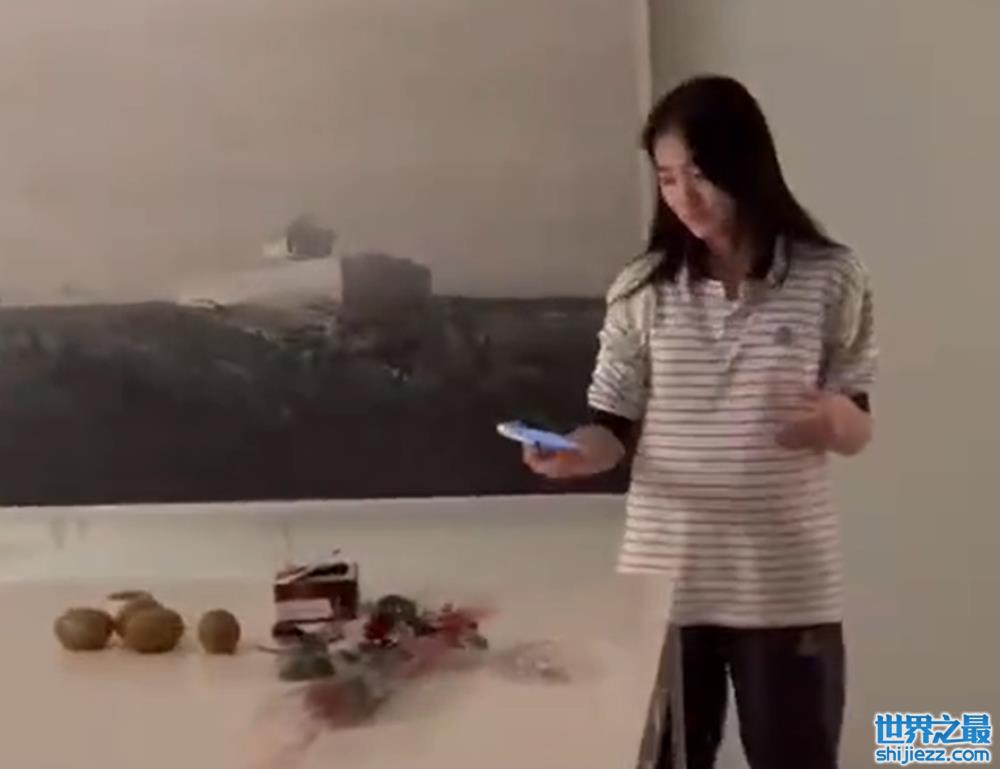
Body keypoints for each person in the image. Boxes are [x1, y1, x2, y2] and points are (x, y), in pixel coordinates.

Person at [523, 74, 877, 769]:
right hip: (665, 584)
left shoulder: (831, 276)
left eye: (698, 174)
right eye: (666, 178)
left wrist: (837, 420)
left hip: (786, 584)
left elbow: (859, 424)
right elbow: (612, 426)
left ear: (745, 166)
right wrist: (578, 454)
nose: (683, 195)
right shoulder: (641, 289)